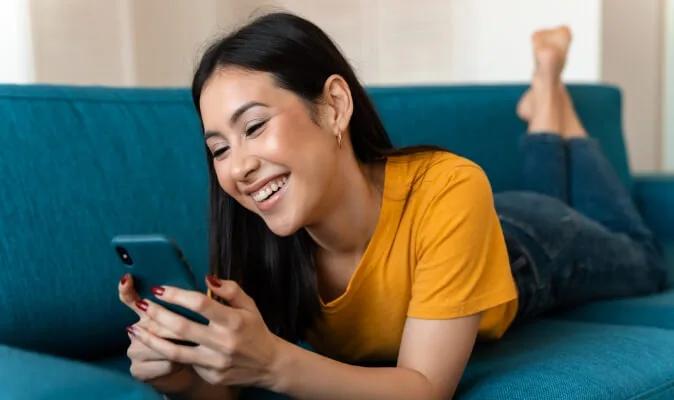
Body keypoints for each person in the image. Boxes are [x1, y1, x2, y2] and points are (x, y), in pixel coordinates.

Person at [118, 12, 667, 400]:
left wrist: (275, 362)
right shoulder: (260, 237)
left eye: (255, 127)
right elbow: (237, 383)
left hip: (528, 248)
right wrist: (183, 377)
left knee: (645, 258)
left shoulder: (450, 187)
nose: (237, 168)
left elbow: (423, 388)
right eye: (218, 148)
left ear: (334, 106)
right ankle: (547, 107)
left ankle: (552, 96)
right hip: (462, 236)